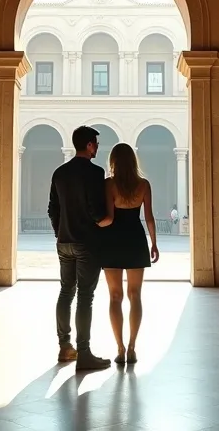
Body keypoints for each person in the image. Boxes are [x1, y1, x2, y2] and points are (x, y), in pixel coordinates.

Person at [47, 125, 112, 370]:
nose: (97, 147)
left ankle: (65, 348)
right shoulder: (95, 173)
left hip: (64, 243)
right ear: (88, 145)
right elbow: (96, 210)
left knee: (66, 292)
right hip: (87, 243)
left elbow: (53, 209)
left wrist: (60, 232)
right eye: (95, 143)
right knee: (86, 296)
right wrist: (105, 220)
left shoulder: (59, 173)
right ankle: (84, 353)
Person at [94, 143, 160, 365]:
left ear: (113, 161)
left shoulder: (109, 185)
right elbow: (149, 218)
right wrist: (154, 243)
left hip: (112, 241)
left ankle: (119, 348)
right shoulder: (143, 185)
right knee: (135, 295)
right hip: (135, 240)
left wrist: (91, 228)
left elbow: (109, 218)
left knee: (114, 296)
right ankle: (132, 347)